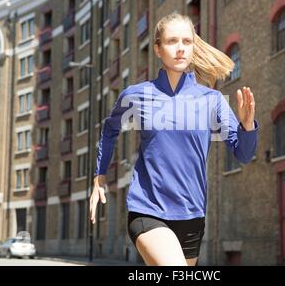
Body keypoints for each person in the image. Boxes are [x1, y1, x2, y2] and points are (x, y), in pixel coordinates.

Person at [89, 13, 259, 266]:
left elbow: (243, 154)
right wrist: (99, 176)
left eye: (187, 42)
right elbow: (110, 130)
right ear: (157, 49)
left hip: (192, 214)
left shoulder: (212, 100)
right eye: (171, 41)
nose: (180, 48)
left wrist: (247, 126)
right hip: (148, 209)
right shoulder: (136, 95)